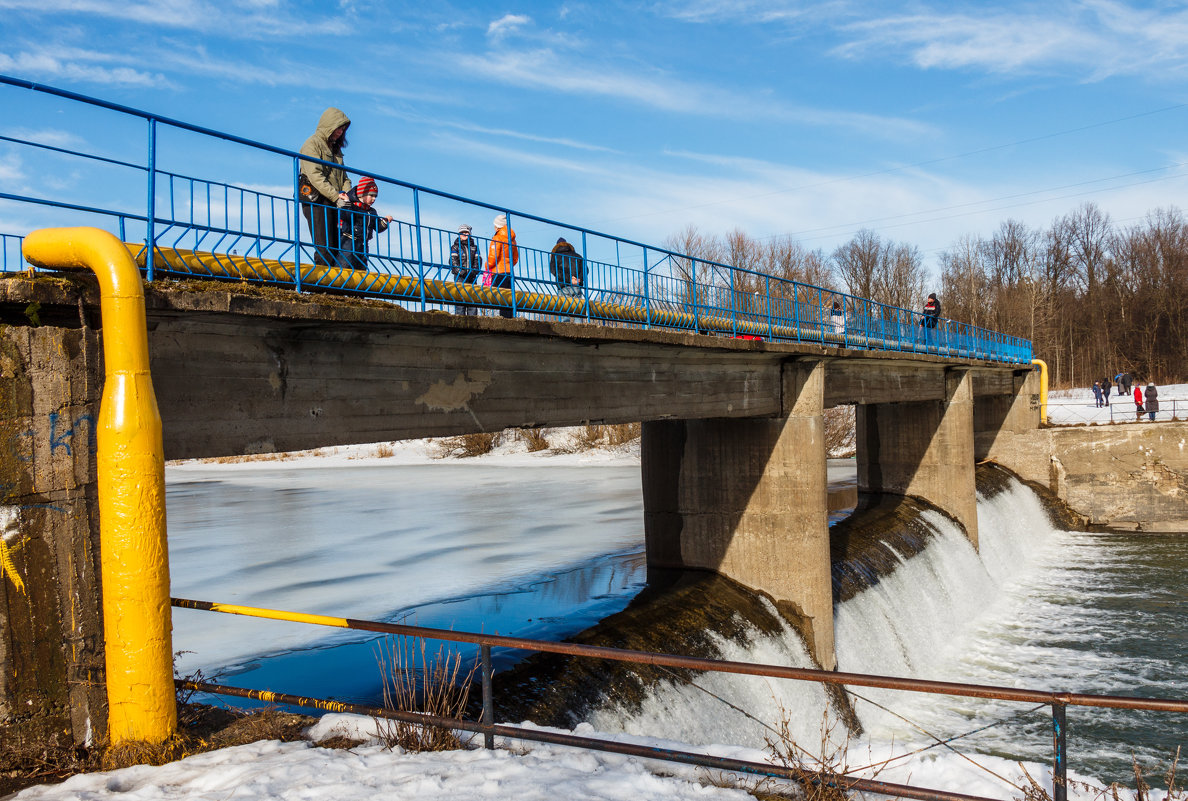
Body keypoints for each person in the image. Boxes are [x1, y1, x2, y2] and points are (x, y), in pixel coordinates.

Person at [299, 107, 352, 267]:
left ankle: (333, 288)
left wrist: (347, 195)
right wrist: (337, 196)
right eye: (338, 127)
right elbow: (315, 176)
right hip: (317, 200)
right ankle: (322, 287)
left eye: (343, 129)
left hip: (335, 201)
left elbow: (344, 177)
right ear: (328, 125)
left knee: (337, 247)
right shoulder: (312, 144)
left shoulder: (336, 150)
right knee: (324, 246)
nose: (340, 132)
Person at [336, 177, 392, 271]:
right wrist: (346, 202)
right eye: (371, 195)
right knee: (344, 266)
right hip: (349, 241)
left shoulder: (372, 211)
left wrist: (384, 221)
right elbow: (346, 216)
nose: (374, 199)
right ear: (362, 194)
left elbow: (378, 227)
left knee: (361, 268)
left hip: (363, 245)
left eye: (375, 196)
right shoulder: (352, 206)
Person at [487, 214, 518, 319]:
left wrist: (487, 265)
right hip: (510, 272)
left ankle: (504, 321)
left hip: (499, 272)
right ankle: (511, 319)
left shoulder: (497, 238)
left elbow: (493, 257)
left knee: (502, 297)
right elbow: (515, 258)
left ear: (497, 226)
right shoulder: (512, 240)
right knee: (509, 297)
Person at [549, 237, 585, 321]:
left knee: (564, 309)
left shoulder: (555, 256)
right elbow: (585, 269)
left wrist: (569, 280)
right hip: (576, 285)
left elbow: (555, 271)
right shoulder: (578, 256)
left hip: (563, 286)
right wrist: (578, 279)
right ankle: (579, 328)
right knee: (578, 309)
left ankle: (565, 328)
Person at [450, 224, 483, 316]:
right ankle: (460, 321)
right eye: (462, 232)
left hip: (472, 277)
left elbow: (478, 260)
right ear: (459, 234)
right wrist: (460, 271)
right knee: (460, 299)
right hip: (460, 276)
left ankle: (473, 321)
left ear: (470, 234)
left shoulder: (475, 247)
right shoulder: (455, 247)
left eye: (466, 232)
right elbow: (453, 261)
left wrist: (473, 271)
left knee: (472, 299)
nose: (464, 234)